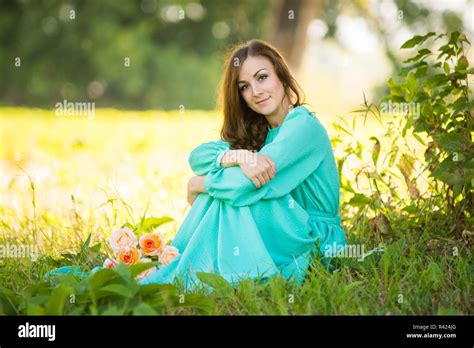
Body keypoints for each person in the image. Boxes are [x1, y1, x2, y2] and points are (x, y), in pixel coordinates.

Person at [139, 39, 347, 291]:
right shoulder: (260, 131)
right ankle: (185, 263)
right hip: (283, 224)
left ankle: (187, 267)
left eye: (262, 78)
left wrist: (199, 183)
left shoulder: (302, 126)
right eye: (244, 87)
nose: (256, 91)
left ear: (281, 75)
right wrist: (238, 157)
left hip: (313, 236)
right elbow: (198, 157)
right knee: (229, 192)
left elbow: (241, 185)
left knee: (232, 195)